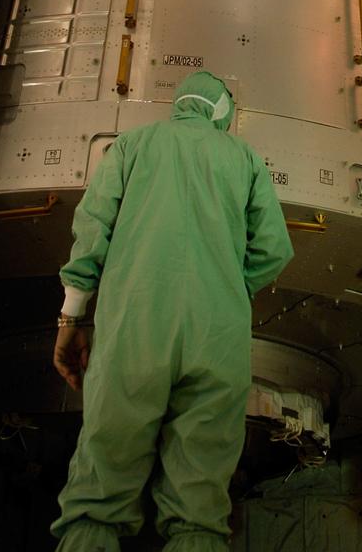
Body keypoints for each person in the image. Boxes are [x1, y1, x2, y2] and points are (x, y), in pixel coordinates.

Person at [50, 71, 294, 552]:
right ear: (221, 110)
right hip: (216, 340)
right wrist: (226, 290)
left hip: (132, 335)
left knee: (97, 498)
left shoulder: (133, 145)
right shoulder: (244, 158)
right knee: (199, 512)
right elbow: (273, 250)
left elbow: (93, 228)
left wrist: (72, 318)